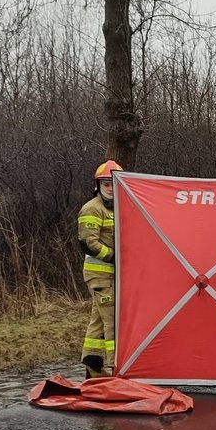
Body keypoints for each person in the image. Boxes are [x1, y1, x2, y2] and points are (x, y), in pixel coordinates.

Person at [77, 160, 122, 378]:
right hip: (100, 275)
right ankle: (117, 369)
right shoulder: (92, 208)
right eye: (106, 184)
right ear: (98, 185)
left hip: (114, 275)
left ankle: (92, 364)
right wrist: (115, 258)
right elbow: (88, 243)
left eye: (114, 183)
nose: (110, 188)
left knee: (98, 320)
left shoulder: (123, 207)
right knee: (113, 320)